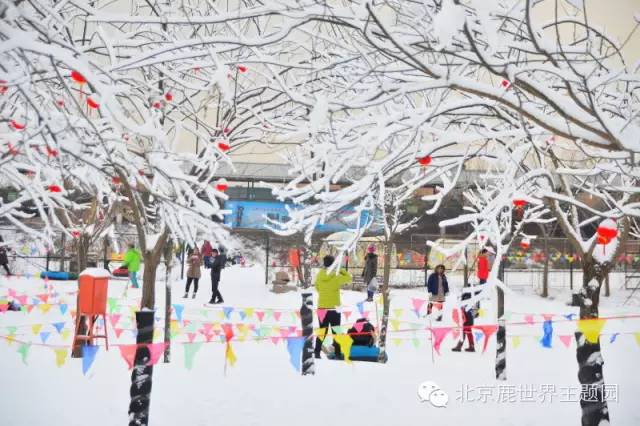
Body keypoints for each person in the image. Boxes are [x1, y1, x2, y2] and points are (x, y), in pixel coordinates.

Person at [314, 255, 352, 359]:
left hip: (321, 308)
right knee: (336, 331)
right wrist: (340, 269)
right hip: (334, 308)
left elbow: (317, 287)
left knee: (322, 331)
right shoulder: (335, 276)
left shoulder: (320, 275)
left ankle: (317, 352)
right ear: (334, 264)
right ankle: (338, 353)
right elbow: (349, 278)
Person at [452, 287, 476, 352]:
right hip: (468, 319)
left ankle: (460, 346)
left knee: (464, 333)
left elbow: (466, 310)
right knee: (467, 332)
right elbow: (473, 312)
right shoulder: (470, 298)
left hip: (467, 319)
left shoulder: (466, 298)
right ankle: (471, 346)